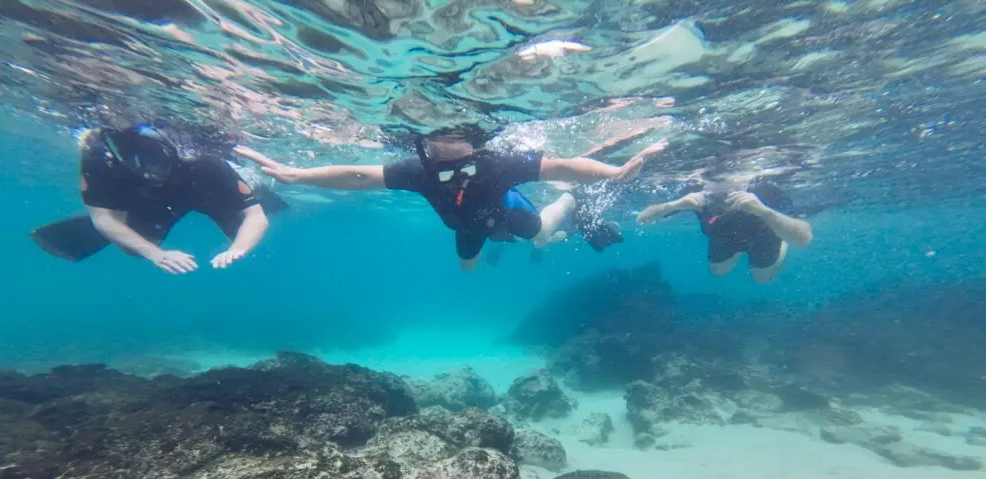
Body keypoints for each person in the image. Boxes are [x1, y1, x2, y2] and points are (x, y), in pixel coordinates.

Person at [236, 128, 667, 271]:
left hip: (508, 214)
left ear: (478, 151)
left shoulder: (499, 163)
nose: (457, 172)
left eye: (465, 162)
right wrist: (293, 174)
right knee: (467, 267)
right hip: (465, 226)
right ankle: (528, 241)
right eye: (445, 164)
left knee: (538, 237)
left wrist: (617, 172)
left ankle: (567, 205)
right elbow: (356, 175)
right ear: (428, 155)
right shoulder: (417, 171)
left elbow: (562, 166)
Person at [31, 123, 287, 273]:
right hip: (141, 191)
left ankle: (250, 182)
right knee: (132, 249)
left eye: (157, 165)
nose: (153, 172)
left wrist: (238, 248)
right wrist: (155, 253)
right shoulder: (100, 156)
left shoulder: (203, 161)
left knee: (244, 233)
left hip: (199, 184)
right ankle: (132, 223)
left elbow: (254, 215)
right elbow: (102, 218)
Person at [636, 179, 812, 283]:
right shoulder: (698, 193)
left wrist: (761, 210)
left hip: (765, 238)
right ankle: (739, 252)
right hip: (723, 238)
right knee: (719, 272)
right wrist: (676, 205)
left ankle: (783, 238)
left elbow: (804, 238)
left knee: (762, 278)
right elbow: (642, 218)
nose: (724, 193)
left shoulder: (766, 192)